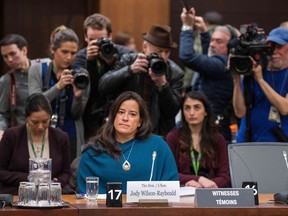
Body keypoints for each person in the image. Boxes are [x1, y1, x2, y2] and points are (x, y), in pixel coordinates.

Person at [77, 91, 178, 194]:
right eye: (121, 112)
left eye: (132, 114)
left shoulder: (158, 146)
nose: (125, 118)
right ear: (113, 116)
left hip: (147, 210)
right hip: (103, 210)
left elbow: (171, 188)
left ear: (140, 122)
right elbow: (86, 196)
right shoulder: (93, 150)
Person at [98, 24, 184, 137]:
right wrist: (129, 70)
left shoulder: (175, 73)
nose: (163, 56)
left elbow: (172, 112)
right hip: (125, 130)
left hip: (156, 133)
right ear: (144, 47)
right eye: (158, 51)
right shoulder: (129, 60)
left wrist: (163, 85)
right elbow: (103, 86)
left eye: (166, 52)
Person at [28, 25, 89, 161]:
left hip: (71, 132)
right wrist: (58, 86)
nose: (69, 57)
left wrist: (78, 97)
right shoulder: (37, 69)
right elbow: (33, 103)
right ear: (53, 50)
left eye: (73, 53)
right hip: (42, 131)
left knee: (70, 175)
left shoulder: (81, 75)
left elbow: (77, 114)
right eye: (64, 52)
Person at [73, 13, 135, 141]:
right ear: (85, 37)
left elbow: (124, 85)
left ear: (110, 36)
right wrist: (90, 62)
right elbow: (94, 90)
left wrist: (112, 62)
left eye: (101, 39)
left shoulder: (126, 54)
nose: (96, 44)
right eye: (91, 40)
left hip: (121, 114)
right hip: (92, 119)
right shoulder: (80, 58)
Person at [179, 7, 235, 143]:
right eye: (212, 39)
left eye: (219, 41)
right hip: (206, 127)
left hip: (213, 132)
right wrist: (204, 32)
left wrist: (187, 27)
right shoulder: (217, 61)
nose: (212, 44)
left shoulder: (221, 65)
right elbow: (208, 55)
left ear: (231, 47)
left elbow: (187, 56)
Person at [0, 93, 71, 195]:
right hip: (17, 196)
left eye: (45, 121)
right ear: (26, 118)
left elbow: (66, 172)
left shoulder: (61, 138)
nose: (40, 127)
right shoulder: (12, 136)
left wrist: (53, 183)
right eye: (35, 122)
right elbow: (1, 172)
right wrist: (28, 178)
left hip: (50, 197)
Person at [233, 27, 288, 142]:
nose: (274, 51)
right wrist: (237, 80)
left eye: (279, 47)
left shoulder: (258, 75)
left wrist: (260, 80)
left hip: (278, 142)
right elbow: (240, 112)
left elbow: (284, 108)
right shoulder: (256, 70)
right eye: (270, 46)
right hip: (249, 140)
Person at [166, 91, 231, 188]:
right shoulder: (173, 137)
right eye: (187, 108)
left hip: (211, 193)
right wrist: (199, 179)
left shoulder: (217, 139)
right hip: (183, 193)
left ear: (205, 112)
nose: (191, 113)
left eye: (197, 107)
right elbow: (169, 175)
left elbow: (225, 177)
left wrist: (207, 185)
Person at [0, 34, 49, 140]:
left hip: (48, 131)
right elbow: (3, 113)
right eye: (5, 56)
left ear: (24, 51)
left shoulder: (43, 68)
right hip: (22, 135)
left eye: (13, 54)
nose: (9, 59)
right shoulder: (7, 80)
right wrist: (1, 131)